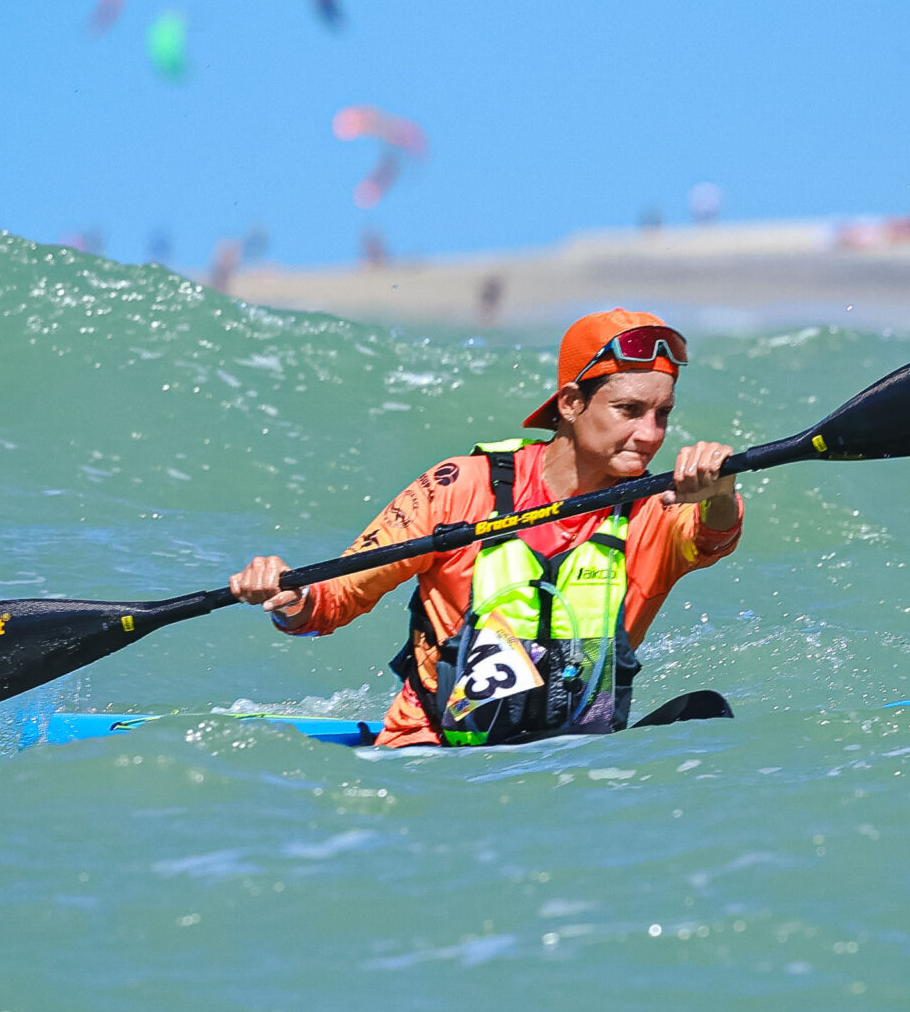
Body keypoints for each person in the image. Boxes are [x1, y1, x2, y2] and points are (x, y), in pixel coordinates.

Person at [227, 310, 742, 748]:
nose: (650, 434)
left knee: (707, 712)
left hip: (569, 772)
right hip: (433, 759)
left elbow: (713, 536)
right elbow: (330, 601)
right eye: (629, 410)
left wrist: (718, 491)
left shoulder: (654, 508)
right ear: (570, 403)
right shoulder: (458, 487)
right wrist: (287, 596)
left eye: (663, 414)